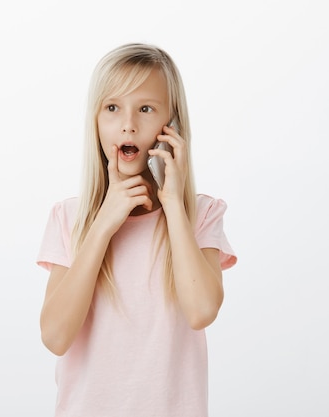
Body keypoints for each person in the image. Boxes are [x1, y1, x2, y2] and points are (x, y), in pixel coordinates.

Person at [36, 43, 237, 417]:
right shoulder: (69, 217)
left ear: (171, 124)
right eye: (112, 108)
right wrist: (103, 226)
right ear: (95, 120)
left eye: (145, 108)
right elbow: (56, 336)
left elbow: (201, 311)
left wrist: (174, 204)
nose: (128, 123)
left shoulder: (202, 214)